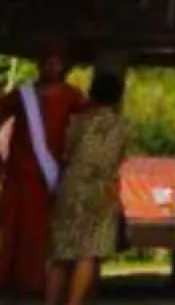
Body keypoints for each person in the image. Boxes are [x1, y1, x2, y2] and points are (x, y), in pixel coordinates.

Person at [0, 47, 88, 294]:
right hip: (17, 174)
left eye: (57, 64)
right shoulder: (23, 95)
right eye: (48, 64)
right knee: (9, 227)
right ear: (39, 66)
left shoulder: (72, 96)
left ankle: (33, 282)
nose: (52, 69)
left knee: (40, 232)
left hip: (49, 177)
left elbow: (87, 127)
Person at [47, 70, 129, 305]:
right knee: (88, 253)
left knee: (61, 252)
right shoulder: (122, 127)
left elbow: (65, 152)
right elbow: (119, 160)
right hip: (103, 190)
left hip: (71, 186)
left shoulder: (77, 122)